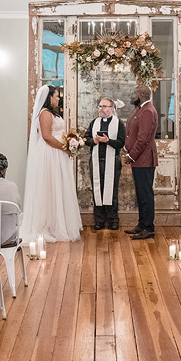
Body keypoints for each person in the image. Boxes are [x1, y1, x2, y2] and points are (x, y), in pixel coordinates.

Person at [21, 85, 83, 242]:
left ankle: (58, 222)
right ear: (49, 98)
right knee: (50, 186)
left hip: (57, 152)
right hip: (50, 153)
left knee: (58, 186)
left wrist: (71, 142)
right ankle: (48, 224)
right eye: (56, 96)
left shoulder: (53, 113)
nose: (58, 98)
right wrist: (65, 148)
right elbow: (47, 137)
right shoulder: (45, 113)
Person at [85, 97, 127, 230]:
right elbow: (86, 139)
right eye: (100, 106)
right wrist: (94, 141)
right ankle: (99, 220)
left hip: (113, 161)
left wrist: (108, 141)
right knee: (97, 189)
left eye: (104, 106)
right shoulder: (94, 122)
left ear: (111, 109)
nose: (100, 109)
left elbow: (121, 143)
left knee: (112, 191)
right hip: (96, 160)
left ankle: (113, 220)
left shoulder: (118, 123)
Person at [124, 83, 159, 240]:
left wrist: (131, 155)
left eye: (135, 93)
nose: (132, 96)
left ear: (143, 95)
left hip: (144, 160)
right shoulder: (140, 109)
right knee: (140, 194)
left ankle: (148, 228)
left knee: (145, 195)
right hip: (139, 160)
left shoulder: (148, 111)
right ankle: (141, 224)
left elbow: (143, 138)